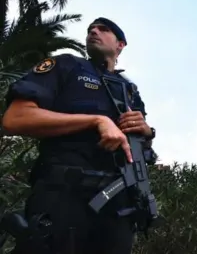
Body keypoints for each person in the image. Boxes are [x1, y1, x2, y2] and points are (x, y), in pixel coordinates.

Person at [2, 17, 156, 254]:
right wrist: (96, 121)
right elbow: (16, 118)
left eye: (103, 29)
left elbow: (140, 146)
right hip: (64, 198)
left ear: (120, 45)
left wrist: (148, 132)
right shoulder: (66, 66)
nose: (94, 31)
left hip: (119, 208)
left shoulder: (129, 90)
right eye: (90, 29)